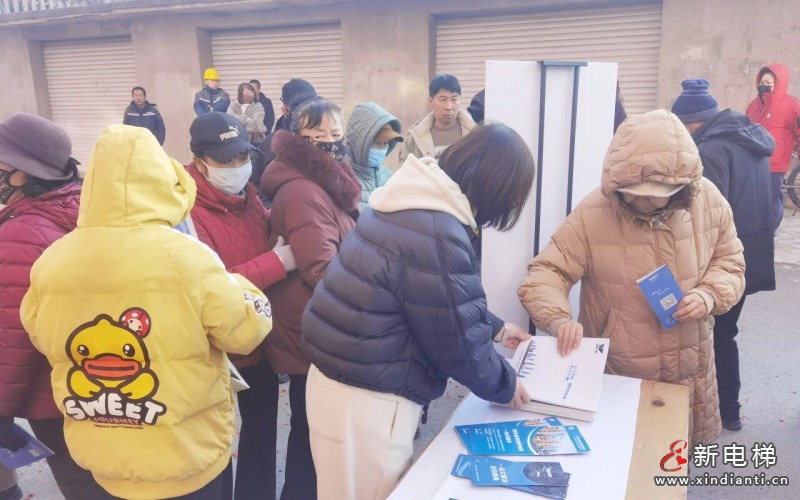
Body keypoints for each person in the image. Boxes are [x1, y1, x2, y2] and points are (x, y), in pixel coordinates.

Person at [20, 124, 272, 499]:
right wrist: (244, 289)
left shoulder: (52, 261)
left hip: (105, 459)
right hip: (187, 458)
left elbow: (40, 334)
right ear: (162, 179)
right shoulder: (188, 257)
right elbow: (243, 333)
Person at [301, 123, 535, 500]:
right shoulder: (438, 229)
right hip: (367, 400)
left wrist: (495, 328)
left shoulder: (412, 198)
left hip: (339, 383)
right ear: (500, 191)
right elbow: (458, 343)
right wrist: (506, 384)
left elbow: (433, 301)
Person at [518, 109, 746, 446]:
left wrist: (709, 294)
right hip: (618, 367)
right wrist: (558, 318)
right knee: (621, 455)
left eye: (655, 192)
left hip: (691, 363)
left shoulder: (708, 201)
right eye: (632, 191)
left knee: (673, 458)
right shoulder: (593, 213)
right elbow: (546, 271)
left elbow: (730, 261)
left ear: (680, 184)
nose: (642, 200)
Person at [0, 113, 112, 499]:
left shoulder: (23, 231)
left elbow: (13, 333)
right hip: (95, 376)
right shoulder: (80, 207)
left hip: (50, 393)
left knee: (83, 485)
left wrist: (2, 409)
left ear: (22, 175)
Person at [186, 111, 296, 499]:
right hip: (214, 347)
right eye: (226, 160)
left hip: (257, 337)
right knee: (215, 442)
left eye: (243, 157)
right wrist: (276, 262)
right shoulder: (185, 212)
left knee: (261, 432)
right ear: (200, 162)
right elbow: (208, 285)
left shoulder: (247, 197)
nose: (238, 167)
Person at [259, 96, 360, 500]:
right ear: (298, 139)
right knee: (311, 439)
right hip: (309, 328)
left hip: (317, 324)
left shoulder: (328, 183)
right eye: (318, 133)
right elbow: (321, 270)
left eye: (336, 132)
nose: (330, 141)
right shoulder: (303, 190)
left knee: (314, 436)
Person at [672, 79, 776, 431]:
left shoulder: (711, 150)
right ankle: (730, 411)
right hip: (753, 249)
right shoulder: (750, 138)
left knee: (710, 334)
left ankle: (720, 411)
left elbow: (707, 216)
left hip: (723, 256)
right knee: (725, 332)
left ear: (691, 123)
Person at [745, 63, 800, 232]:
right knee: (752, 198)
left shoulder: (792, 106)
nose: (764, 85)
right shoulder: (754, 105)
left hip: (775, 162)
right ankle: (755, 230)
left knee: (771, 198)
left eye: (768, 82)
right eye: (762, 81)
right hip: (752, 160)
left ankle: (769, 231)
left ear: (779, 82)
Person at [252, 78, 317, 202]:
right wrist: (273, 209)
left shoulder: (325, 142)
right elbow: (256, 187)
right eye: (302, 109)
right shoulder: (269, 146)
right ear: (286, 110)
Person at [399, 74, 476, 162]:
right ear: (431, 101)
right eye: (443, 100)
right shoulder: (416, 136)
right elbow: (405, 168)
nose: (449, 107)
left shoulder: (475, 134)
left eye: (454, 99)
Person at [345, 101, 403, 212]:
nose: (383, 149)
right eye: (378, 143)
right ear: (360, 141)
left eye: (386, 144)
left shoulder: (389, 176)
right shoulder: (342, 179)